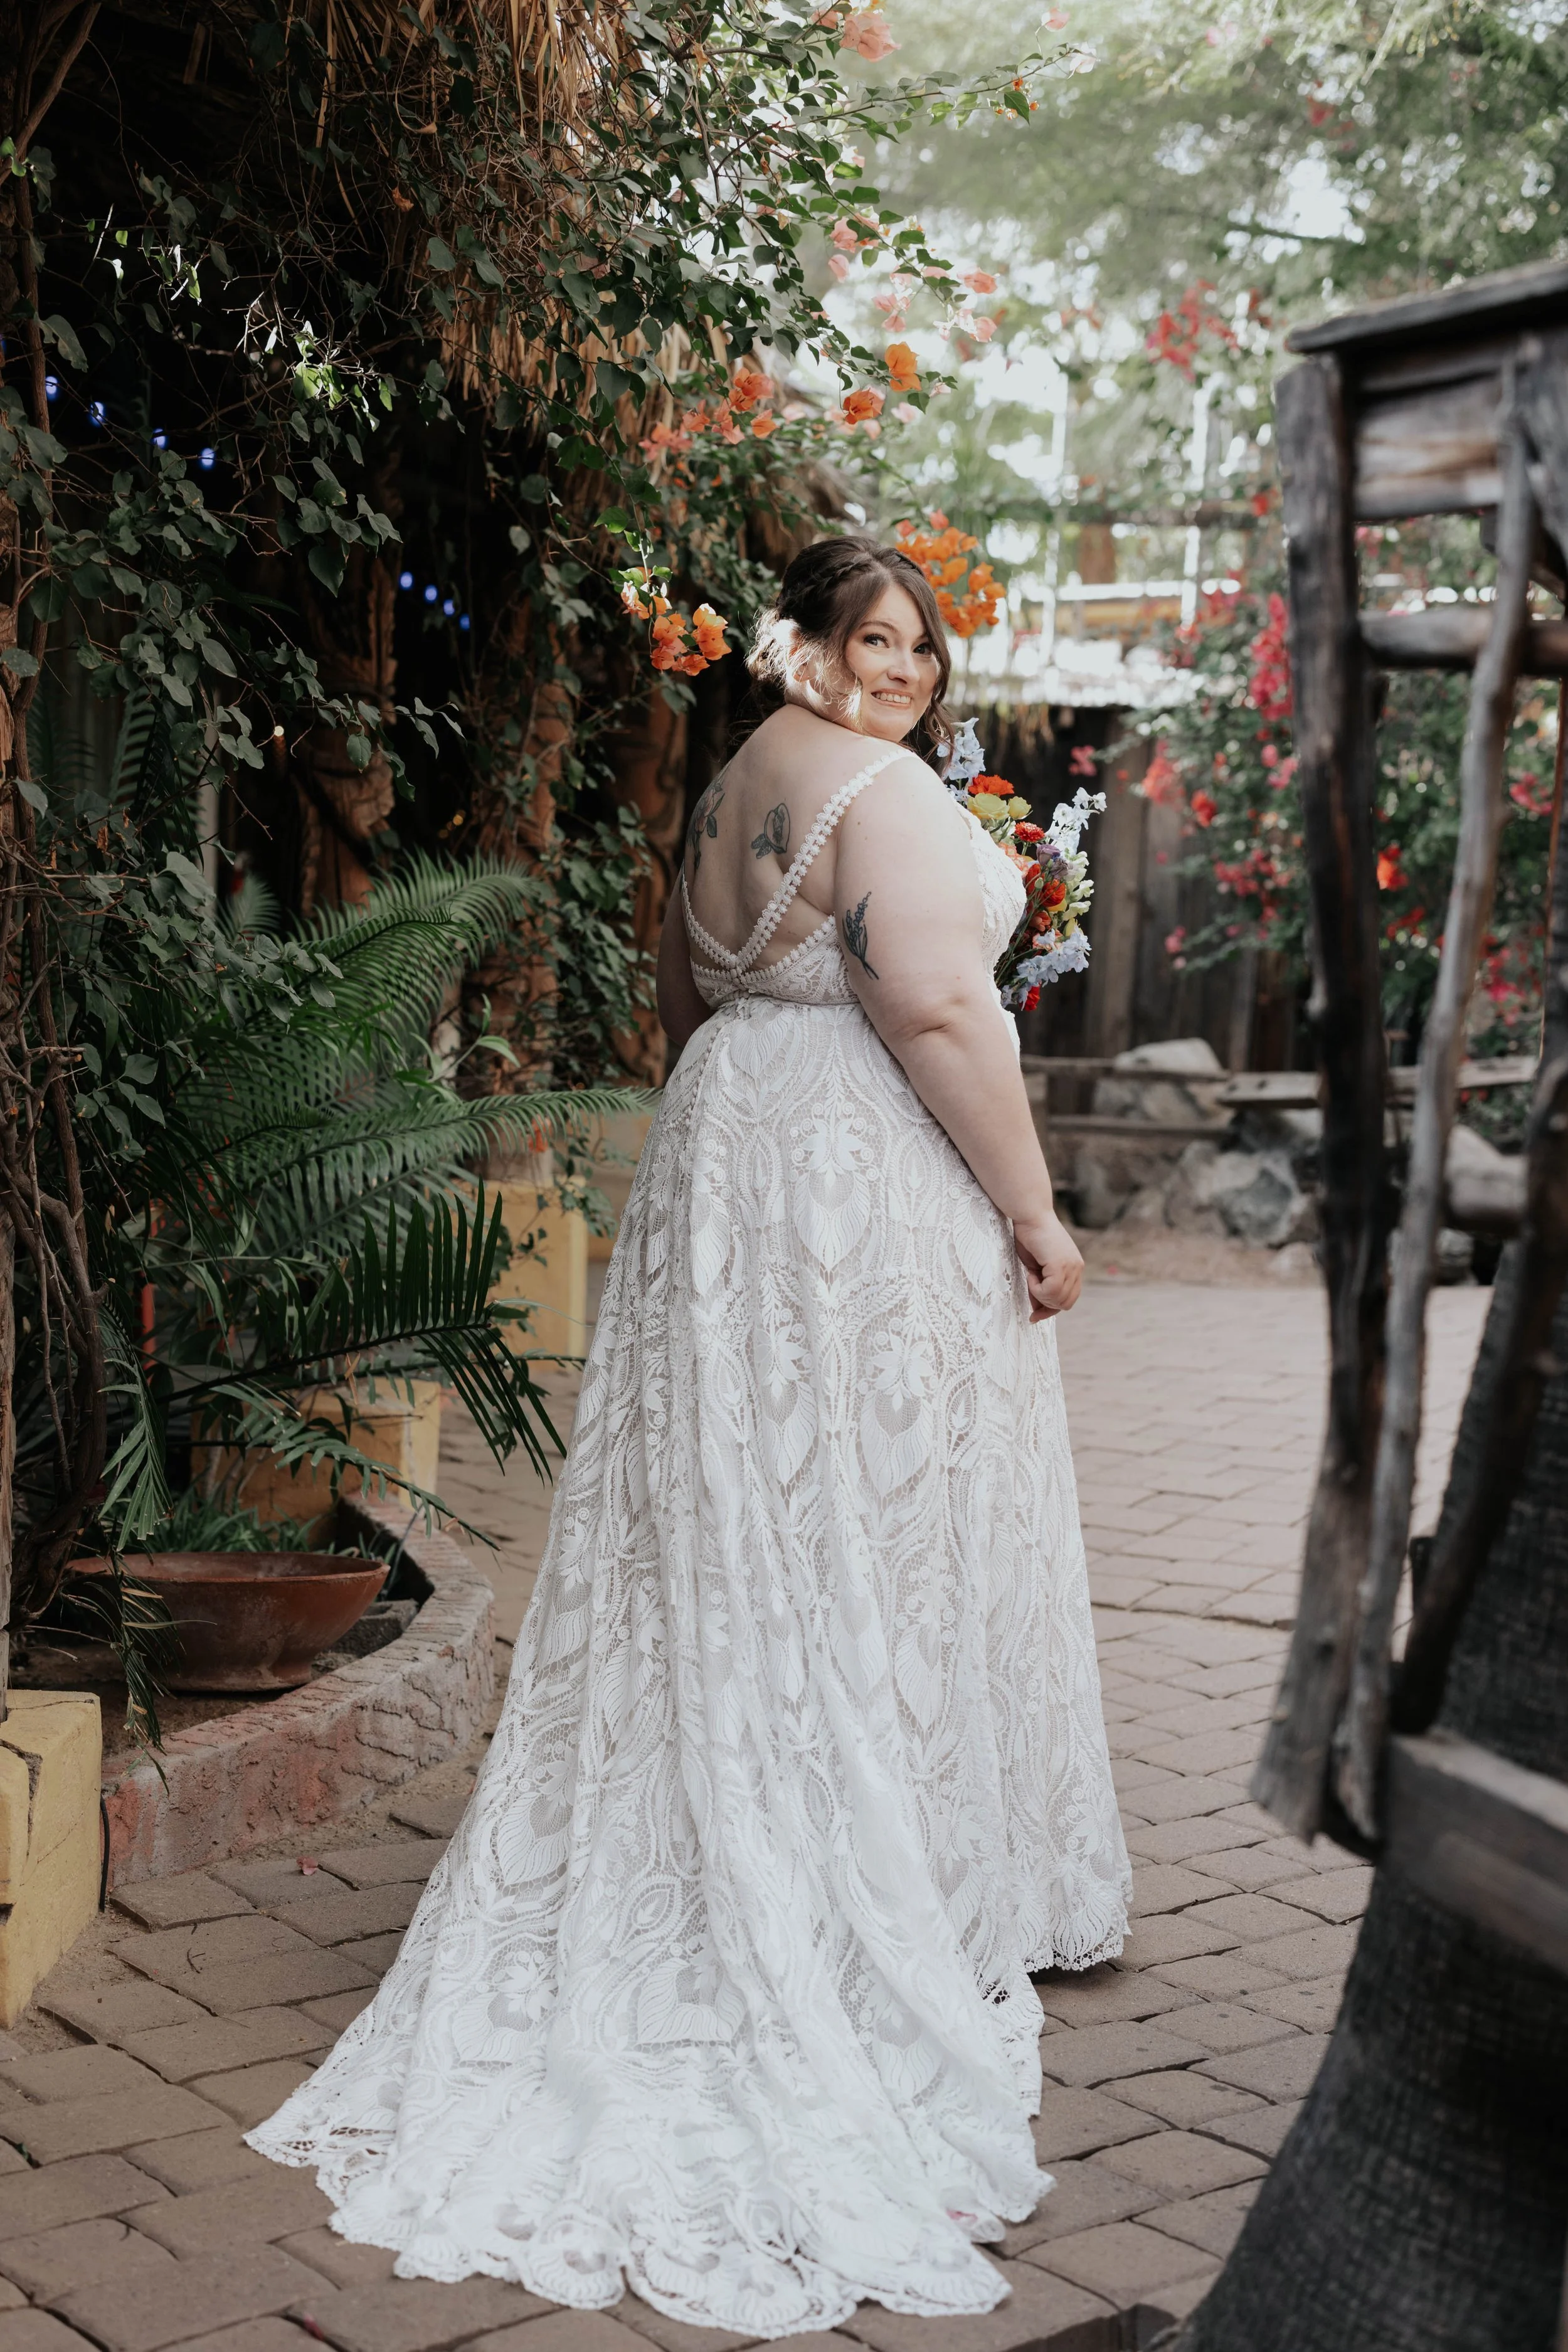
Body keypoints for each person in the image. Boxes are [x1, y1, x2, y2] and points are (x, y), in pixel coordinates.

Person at [249, 536, 1130, 2340]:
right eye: (867, 637)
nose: (899, 670)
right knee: (858, 1520)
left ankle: (732, 1816)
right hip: (845, 1183)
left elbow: (682, 1006)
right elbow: (936, 1006)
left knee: (732, 1522)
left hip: (730, 1155)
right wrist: (1035, 1216)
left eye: (919, 646)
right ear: (799, 641)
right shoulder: (877, 789)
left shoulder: (731, 789)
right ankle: (850, 1877)